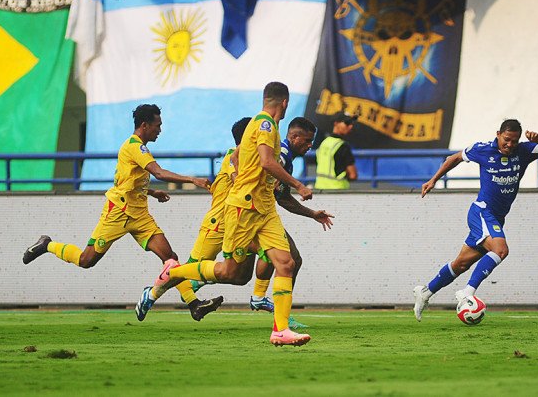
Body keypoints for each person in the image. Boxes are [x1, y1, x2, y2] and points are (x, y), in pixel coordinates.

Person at [136, 82, 316, 346]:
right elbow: (265, 162)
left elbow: (238, 157)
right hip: (241, 210)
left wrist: (246, 174)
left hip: (263, 210)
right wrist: (298, 184)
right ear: (285, 103)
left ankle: (280, 329)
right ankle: (175, 273)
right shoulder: (265, 125)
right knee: (233, 274)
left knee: (287, 263)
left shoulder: (264, 127)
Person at [22, 104, 223, 321]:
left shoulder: (139, 148)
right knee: (86, 260)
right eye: (157, 126)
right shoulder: (135, 147)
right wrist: (192, 179)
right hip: (117, 212)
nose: (160, 130)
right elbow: (159, 172)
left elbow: (130, 179)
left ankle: (194, 304)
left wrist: (152, 192)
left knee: (170, 259)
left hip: (140, 215)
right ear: (144, 125)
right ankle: (47, 244)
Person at [173, 116, 332, 331]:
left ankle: (183, 280)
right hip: (242, 215)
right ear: (294, 137)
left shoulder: (281, 157)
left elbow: (279, 195)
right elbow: (269, 188)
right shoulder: (280, 157)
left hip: (251, 214)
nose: (310, 146)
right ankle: (274, 312)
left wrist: (311, 213)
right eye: (307, 141)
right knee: (288, 259)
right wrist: (302, 194)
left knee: (239, 275)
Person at [412, 119, 538, 321]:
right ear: (498, 134)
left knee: (461, 264)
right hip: (482, 212)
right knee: (501, 250)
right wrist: (433, 179)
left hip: (497, 217)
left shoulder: (524, 151)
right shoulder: (482, 149)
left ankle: (426, 292)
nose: (510, 145)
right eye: (506, 140)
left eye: (514, 141)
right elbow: (454, 158)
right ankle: (467, 292)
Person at [314, 111, 357, 190]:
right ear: (336, 123)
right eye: (347, 123)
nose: (350, 126)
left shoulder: (324, 143)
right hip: (338, 190)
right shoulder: (343, 146)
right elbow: (353, 175)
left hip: (319, 189)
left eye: (352, 123)